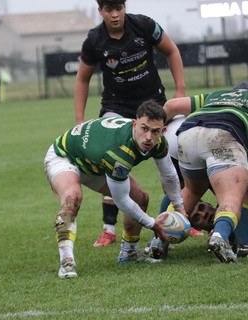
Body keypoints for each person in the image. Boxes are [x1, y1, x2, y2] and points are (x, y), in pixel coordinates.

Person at [74, 0, 186, 247]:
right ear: (100, 11)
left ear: (125, 7)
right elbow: (82, 79)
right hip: (116, 108)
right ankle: (108, 230)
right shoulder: (94, 40)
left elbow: (172, 51)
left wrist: (180, 90)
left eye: (118, 8)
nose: (114, 15)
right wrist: (80, 121)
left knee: (176, 150)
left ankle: (182, 216)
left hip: (154, 105)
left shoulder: (144, 25)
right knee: (113, 160)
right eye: (108, 10)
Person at [44, 101, 186, 278]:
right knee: (72, 197)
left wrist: (180, 207)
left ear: (163, 131)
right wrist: (152, 224)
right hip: (65, 156)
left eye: (155, 131)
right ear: (134, 125)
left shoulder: (158, 143)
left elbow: (169, 175)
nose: (149, 136)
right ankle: (67, 262)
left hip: (96, 164)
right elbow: (121, 201)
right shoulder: (119, 151)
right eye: (144, 128)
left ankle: (129, 254)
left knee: (140, 197)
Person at [163, 81, 248, 263]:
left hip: (186, 134)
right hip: (224, 132)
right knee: (234, 195)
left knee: (191, 191)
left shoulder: (217, 95)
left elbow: (171, 105)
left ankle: (158, 240)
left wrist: (155, 133)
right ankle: (224, 237)